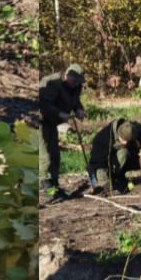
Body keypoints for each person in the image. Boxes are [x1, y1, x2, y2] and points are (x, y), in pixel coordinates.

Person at [38, 63, 86, 196]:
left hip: (52, 123)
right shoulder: (51, 82)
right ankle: (46, 187)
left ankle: (55, 185)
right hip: (39, 121)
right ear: (67, 74)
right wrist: (59, 113)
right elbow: (43, 103)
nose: (76, 84)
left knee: (55, 155)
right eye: (74, 81)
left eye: (78, 82)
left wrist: (79, 110)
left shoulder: (75, 86)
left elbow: (75, 101)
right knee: (45, 156)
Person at [88, 116, 141, 193]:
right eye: (123, 140)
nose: (125, 143)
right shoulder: (102, 139)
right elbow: (98, 165)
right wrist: (105, 184)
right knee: (123, 152)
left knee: (127, 153)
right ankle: (113, 179)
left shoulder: (134, 129)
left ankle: (122, 176)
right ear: (117, 134)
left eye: (128, 141)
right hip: (100, 167)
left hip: (122, 163)